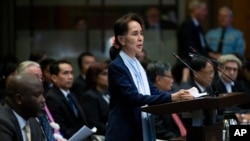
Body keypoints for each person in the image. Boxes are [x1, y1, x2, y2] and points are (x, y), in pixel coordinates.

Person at [105, 12, 194, 141]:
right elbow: (133, 97)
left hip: (141, 129)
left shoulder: (138, 65)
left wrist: (177, 95)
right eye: (135, 34)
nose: (140, 38)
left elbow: (152, 91)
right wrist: (171, 97)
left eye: (141, 33)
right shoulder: (117, 66)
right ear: (122, 39)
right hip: (124, 133)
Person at [46, 60, 91, 140]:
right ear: (54, 78)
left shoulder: (72, 94)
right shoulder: (51, 97)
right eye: (65, 73)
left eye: (71, 73)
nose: (70, 77)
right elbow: (60, 127)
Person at [146, 61, 185, 140]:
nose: (172, 80)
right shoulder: (152, 101)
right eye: (170, 77)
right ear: (159, 79)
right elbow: (160, 131)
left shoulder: (171, 94)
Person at [0, 73, 45, 141]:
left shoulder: (33, 121)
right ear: (19, 99)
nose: (43, 100)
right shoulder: (3, 122)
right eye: (37, 95)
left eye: (42, 94)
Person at [80, 62, 109, 137]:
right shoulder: (89, 96)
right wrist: (116, 129)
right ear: (94, 77)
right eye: (104, 74)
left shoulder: (109, 92)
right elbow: (94, 124)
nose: (109, 77)